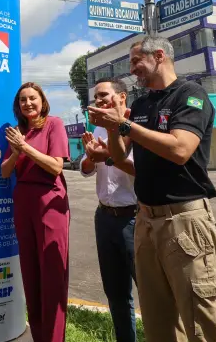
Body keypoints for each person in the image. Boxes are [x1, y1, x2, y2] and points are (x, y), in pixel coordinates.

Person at [89, 36, 216, 342]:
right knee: (157, 319)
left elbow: (180, 149)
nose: (132, 69)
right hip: (146, 220)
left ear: (159, 56)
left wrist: (123, 125)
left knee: (201, 320)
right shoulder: (141, 104)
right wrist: (113, 127)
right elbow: (121, 154)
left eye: (136, 61)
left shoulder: (191, 95)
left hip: (185, 221)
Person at [0, 82, 70, 342]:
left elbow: (56, 167)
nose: (27, 103)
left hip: (49, 200)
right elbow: (5, 172)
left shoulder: (54, 124)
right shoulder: (17, 132)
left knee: (52, 272)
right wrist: (16, 151)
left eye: (32, 98)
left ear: (42, 101)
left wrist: (25, 148)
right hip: (24, 200)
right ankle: (39, 335)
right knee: (30, 272)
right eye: (22, 100)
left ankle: (54, 337)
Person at [80, 78, 138, 342]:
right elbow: (84, 169)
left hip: (134, 219)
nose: (99, 101)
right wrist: (91, 156)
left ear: (122, 96)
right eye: (96, 98)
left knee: (150, 292)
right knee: (115, 293)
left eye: (104, 95)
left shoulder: (136, 126)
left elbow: (141, 170)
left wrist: (110, 157)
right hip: (104, 217)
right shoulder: (100, 129)